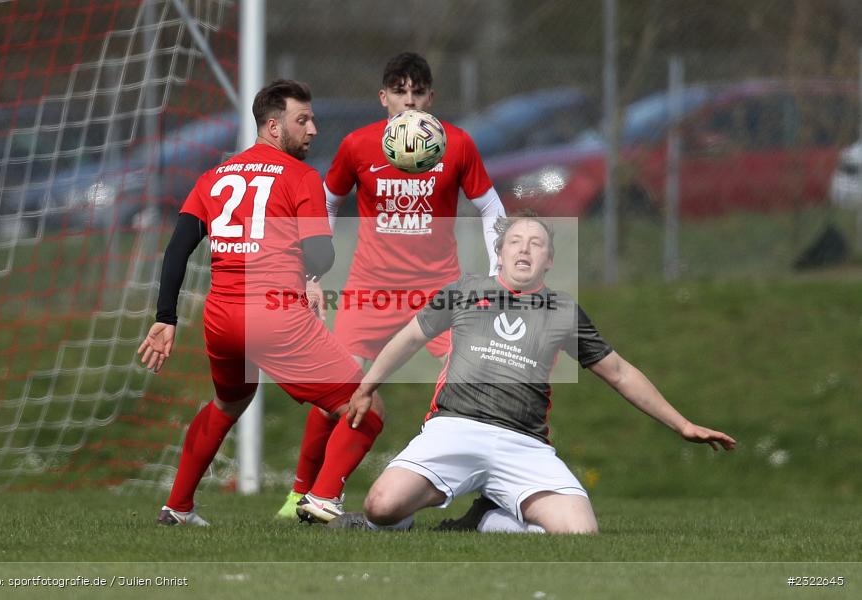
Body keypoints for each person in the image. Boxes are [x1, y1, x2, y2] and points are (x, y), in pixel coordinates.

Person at [329, 210, 737, 534]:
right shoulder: (465, 289)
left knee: (579, 534)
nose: (525, 250)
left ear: (549, 259)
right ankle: (394, 524)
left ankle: (488, 520)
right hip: (455, 428)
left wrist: (682, 424)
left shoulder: (562, 310)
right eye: (516, 242)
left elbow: (619, 372)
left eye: (536, 243)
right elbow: (409, 339)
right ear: (501, 252)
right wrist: (366, 388)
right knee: (380, 507)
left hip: (524, 444)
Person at [137, 79, 384, 526]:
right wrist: (312, 271)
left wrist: (166, 317)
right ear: (273, 126)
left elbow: (177, 249)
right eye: (302, 120)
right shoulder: (301, 176)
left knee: (228, 403)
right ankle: (323, 498)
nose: (313, 129)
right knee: (364, 406)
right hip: (275, 317)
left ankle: (177, 507)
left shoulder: (214, 176)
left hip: (221, 318)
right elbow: (321, 254)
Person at [277, 52, 506, 518]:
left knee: (472, 384)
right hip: (369, 291)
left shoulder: (457, 145)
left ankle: (463, 487)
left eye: (417, 92)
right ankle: (301, 494)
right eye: (399, 91)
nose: (409, 101)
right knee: (334, 394)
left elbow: (491, 207)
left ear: (430, 97)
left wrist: (499, 272)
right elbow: (327, 202)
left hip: (439, 292)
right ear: (383, 97)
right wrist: (312, 272)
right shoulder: (358, 145)